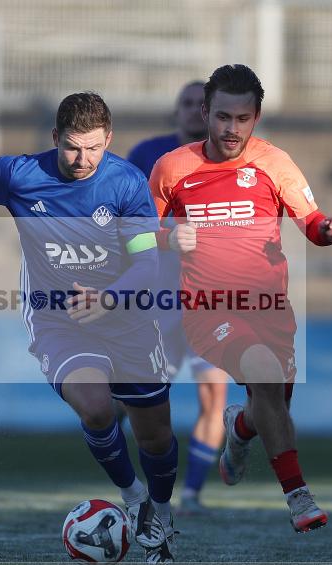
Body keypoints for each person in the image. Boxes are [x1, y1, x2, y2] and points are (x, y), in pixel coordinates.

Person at [0, 92, 179, 563]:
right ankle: (135, 496)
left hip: (128, 319)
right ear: (55, 137)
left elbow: (147, 262)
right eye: (73, 147)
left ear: (109, 140)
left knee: (156, 436)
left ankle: (160, 510)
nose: (83, 159)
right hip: (58, 318)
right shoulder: (20, 174)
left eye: (94, 148)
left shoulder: (126, 182)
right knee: (97, 408)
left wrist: (110, 298)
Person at [150, 64, 332, 534]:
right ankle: (299, 499)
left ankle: (240, 428)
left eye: (241, 118)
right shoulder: (173, 168)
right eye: (221, 117)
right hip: (208, 310)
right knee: (263, 375)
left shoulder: (274, 162)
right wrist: (166, 237)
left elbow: (311, 220)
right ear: (205, 112)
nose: (230, 129)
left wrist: (326, 230)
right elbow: (130, 237)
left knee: (272, 407)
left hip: (270, 309)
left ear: (255, 117)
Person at [127, 81, 229, 516]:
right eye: (185, 103)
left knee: (214, 397)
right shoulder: (148, 155)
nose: (192, 111)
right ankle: (153, 487)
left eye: (200, 105)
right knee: (146, 400)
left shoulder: (235, 161)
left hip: (213, 298)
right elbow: (125, 228)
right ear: (176, 112)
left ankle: (191, 493)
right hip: (157, 298)